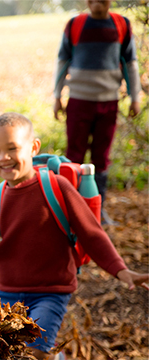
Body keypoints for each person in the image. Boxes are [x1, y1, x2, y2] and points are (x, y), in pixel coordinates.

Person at [0, 112, 149, 360]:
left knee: (33, 353)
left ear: (33, 147)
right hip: (5, 296)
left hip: (50, 293)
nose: (4, 158)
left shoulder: (58, 188)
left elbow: (92, 234)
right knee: (1, 352)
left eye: (12, 148)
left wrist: (122, 271)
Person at [53, 0, 142, 224]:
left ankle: (97, 209)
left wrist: (135, 97)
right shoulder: (75, 25)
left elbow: (130, 62)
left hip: (108, 101)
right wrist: (56, 96)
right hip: (78, 101)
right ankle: (69, 208)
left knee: (101, 158)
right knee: (74, 155)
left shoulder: (121, 25)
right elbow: (62, 61)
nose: (96, 3)